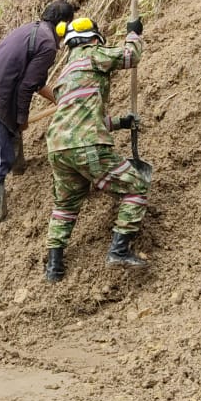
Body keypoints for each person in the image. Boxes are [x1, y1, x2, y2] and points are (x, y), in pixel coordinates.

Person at [42, 16, 146, 282]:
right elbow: (130, 56)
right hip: (86, 144)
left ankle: (54, 268)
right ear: (93, 38)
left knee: (65, 205)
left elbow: (81, 118)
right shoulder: (92, 54)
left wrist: (121, 122)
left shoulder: (65, 72)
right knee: (135, 185)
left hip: (58, 147)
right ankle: (119, 250)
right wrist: (133, 34)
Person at [0, 0, 75, 224]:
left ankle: (19, 169)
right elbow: (27, 86)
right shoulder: (47, 44)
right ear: (63, 26)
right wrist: (22, 118)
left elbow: (35, 83)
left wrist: (62, 99)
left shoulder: (32, 29)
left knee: (11, 132)